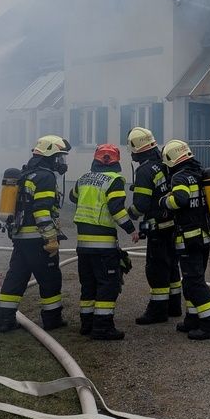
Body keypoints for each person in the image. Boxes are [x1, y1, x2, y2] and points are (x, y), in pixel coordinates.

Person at [0, 135, 70, 333]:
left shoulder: (26, 174)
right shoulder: (46, 177)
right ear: (50, 156)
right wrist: (50, 238)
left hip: (21, 238)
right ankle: (52, 320)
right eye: (59, 157)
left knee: (16, 278)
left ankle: (4, 320)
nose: (61, 161)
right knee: (50, 279)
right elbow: (42, 211)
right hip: (38, 239)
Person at [68, 144, 139, 340]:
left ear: (95, 159)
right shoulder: (115, 180)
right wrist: (131, 229)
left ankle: (87, 324)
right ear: (116, 161)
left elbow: (72, 197)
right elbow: (116, 209)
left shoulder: (83, 178)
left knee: (88, 284)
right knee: (108, 284)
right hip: (103, 245)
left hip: (83, 244)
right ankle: (102, 327)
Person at [161, 140, 210, 340]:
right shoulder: (200, 174)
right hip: (203, 237)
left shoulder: (179, 177)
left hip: (189, 239)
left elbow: (180, 200)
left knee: (194, 283)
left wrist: (164, 201)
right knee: (191, 281)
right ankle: (193, 319)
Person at [127, 126, 182, 324]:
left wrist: (130, 214)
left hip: (157, 227)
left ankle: (158, 311)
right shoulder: (164, 163)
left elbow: (141, 205)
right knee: (171, 265)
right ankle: (174, 306)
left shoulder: (144, 170)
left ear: (136, 150)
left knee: (156, 268)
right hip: (172, 225)